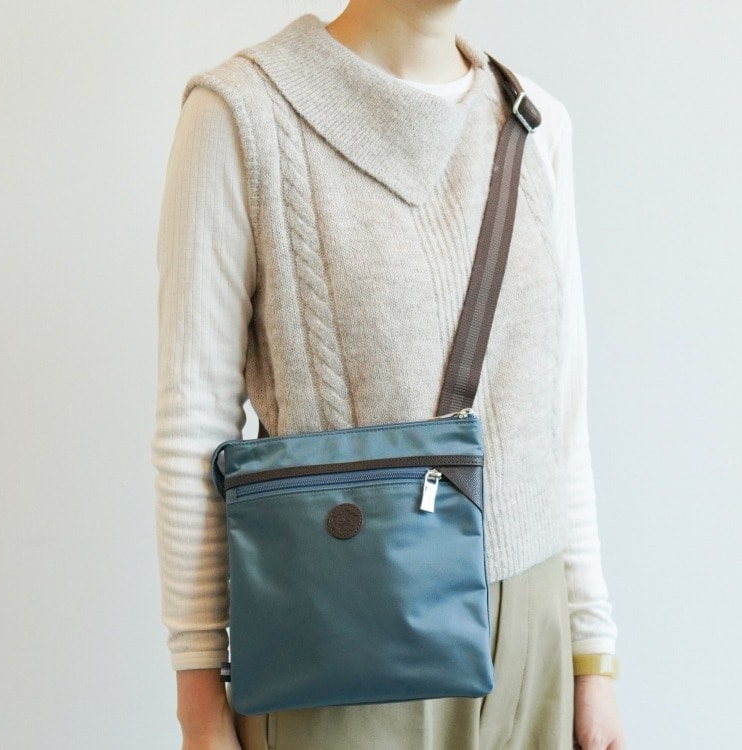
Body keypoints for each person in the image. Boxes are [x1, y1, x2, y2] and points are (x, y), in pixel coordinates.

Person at [152, 2, 626, 748]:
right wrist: (198, 695)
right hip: (347, 641)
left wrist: (591, 653)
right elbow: (193, 421)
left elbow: (561, 417)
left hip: (534, 641)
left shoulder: (534, 123)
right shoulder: (239, 113)